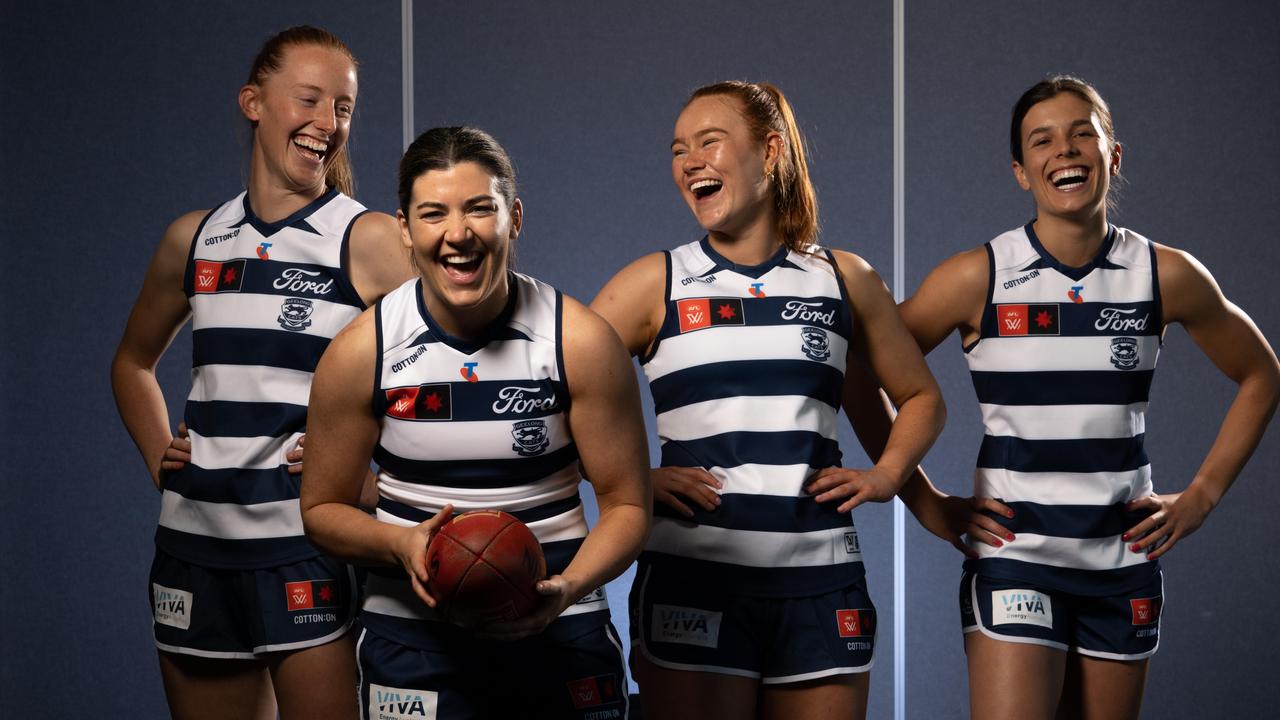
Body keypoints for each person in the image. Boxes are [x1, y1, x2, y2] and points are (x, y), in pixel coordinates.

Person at [873, 75, 1280, 720]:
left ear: (1112, 154)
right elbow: (864, 372)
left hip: (1123, 559)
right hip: (1018, 558)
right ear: (1021, 170)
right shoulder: (977, 276)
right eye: (1042, 140)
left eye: (1082, 133)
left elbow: (1263, 374)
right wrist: (922, 499)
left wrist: (1202, 495)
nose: (1064, 150)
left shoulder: (1164, 273)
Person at [590, 81, 946, 720]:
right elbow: (556, 395)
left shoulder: (844, 278)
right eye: (678, 150)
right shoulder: (654, 283)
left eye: (709, 143)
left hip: (821, 580)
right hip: (696, 578)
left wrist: (889, 475)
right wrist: (629, 481)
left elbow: (921, 396)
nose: (690, 161)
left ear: (771, 151)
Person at [110, 26, 413, 720]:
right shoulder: (196, 236)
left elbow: (464, 368)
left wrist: (374, 484)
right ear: (253, 101)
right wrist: (162, 455)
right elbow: (131, 363)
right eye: (309, 99)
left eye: (342, 107)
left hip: (303, 548)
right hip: (191, 549)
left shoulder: (363, 238)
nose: (327, 123)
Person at [299, 125, 651, 719]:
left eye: (479, 209)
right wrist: (400, 543)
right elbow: (321, 510)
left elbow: (628, 505)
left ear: (514, 217)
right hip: (413, 638)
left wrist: (566, 590)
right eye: (433, 214)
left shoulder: (580, 341)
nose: (457, 234)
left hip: (561, 631)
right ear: (405, 231)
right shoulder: (363, 350)